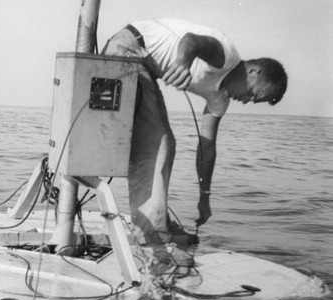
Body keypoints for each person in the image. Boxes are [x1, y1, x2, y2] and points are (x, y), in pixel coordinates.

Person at [102, 18, 287, 268]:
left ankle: (156, 224)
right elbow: (191, 41)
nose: (246, 101)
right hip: (128, 49)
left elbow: (207, 146)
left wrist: (204, 195)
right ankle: (150, 237)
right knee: (158, 144)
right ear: (253, 71)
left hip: (144, 65)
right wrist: (182, 63)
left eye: (253, 101)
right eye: (252, 93)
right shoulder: (226, 56)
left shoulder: (220, 99)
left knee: (168, 143)